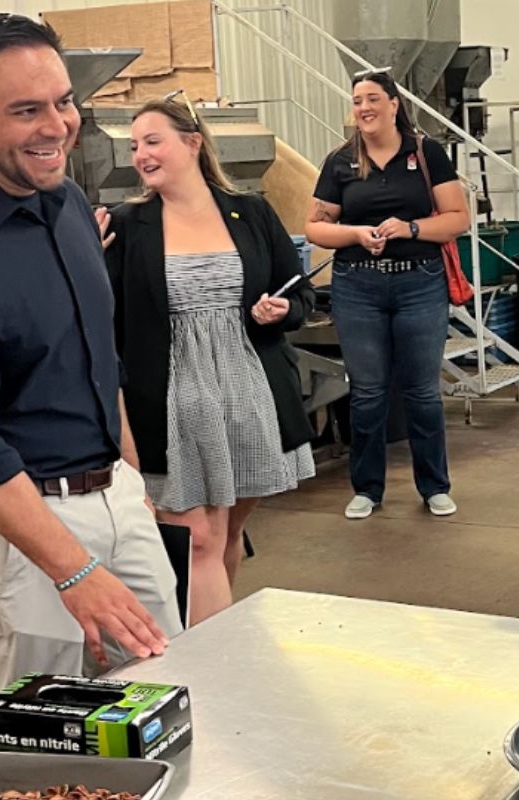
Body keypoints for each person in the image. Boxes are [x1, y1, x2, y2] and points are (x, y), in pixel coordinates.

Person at [0, 14, 181, 687]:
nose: (55, 126)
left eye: (63, 102)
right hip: (20, 534)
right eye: (26, 110)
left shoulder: (68, 205)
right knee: (51, 750)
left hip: (113, 495)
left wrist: (131, 487)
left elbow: (100, 365)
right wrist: (73, 569)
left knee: (166, 704)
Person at [104, 96, 316, 625]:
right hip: (173, 404)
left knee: (224, 536)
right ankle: (211, 671)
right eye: (134, 146)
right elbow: (108, 327)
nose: (141, 155)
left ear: (192, 143)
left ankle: (214, 639)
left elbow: (300, 294)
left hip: (249, 396)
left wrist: (281, 309)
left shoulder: (251, 213)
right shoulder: (129, 226)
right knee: (198, 538)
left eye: (153, 141)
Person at [305, 70, 469, 520]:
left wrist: (411, 227)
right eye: (357, 100)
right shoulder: (341, 161)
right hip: (358, 287)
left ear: (395, 104)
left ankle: (434, 485)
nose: (364, 108)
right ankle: (367, 489)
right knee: (368, 392)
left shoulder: (426, 153)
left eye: (373, 98)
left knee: (421, 392)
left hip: (420, 281)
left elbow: (458, 218)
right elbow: (315, 226)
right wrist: (356, 234)